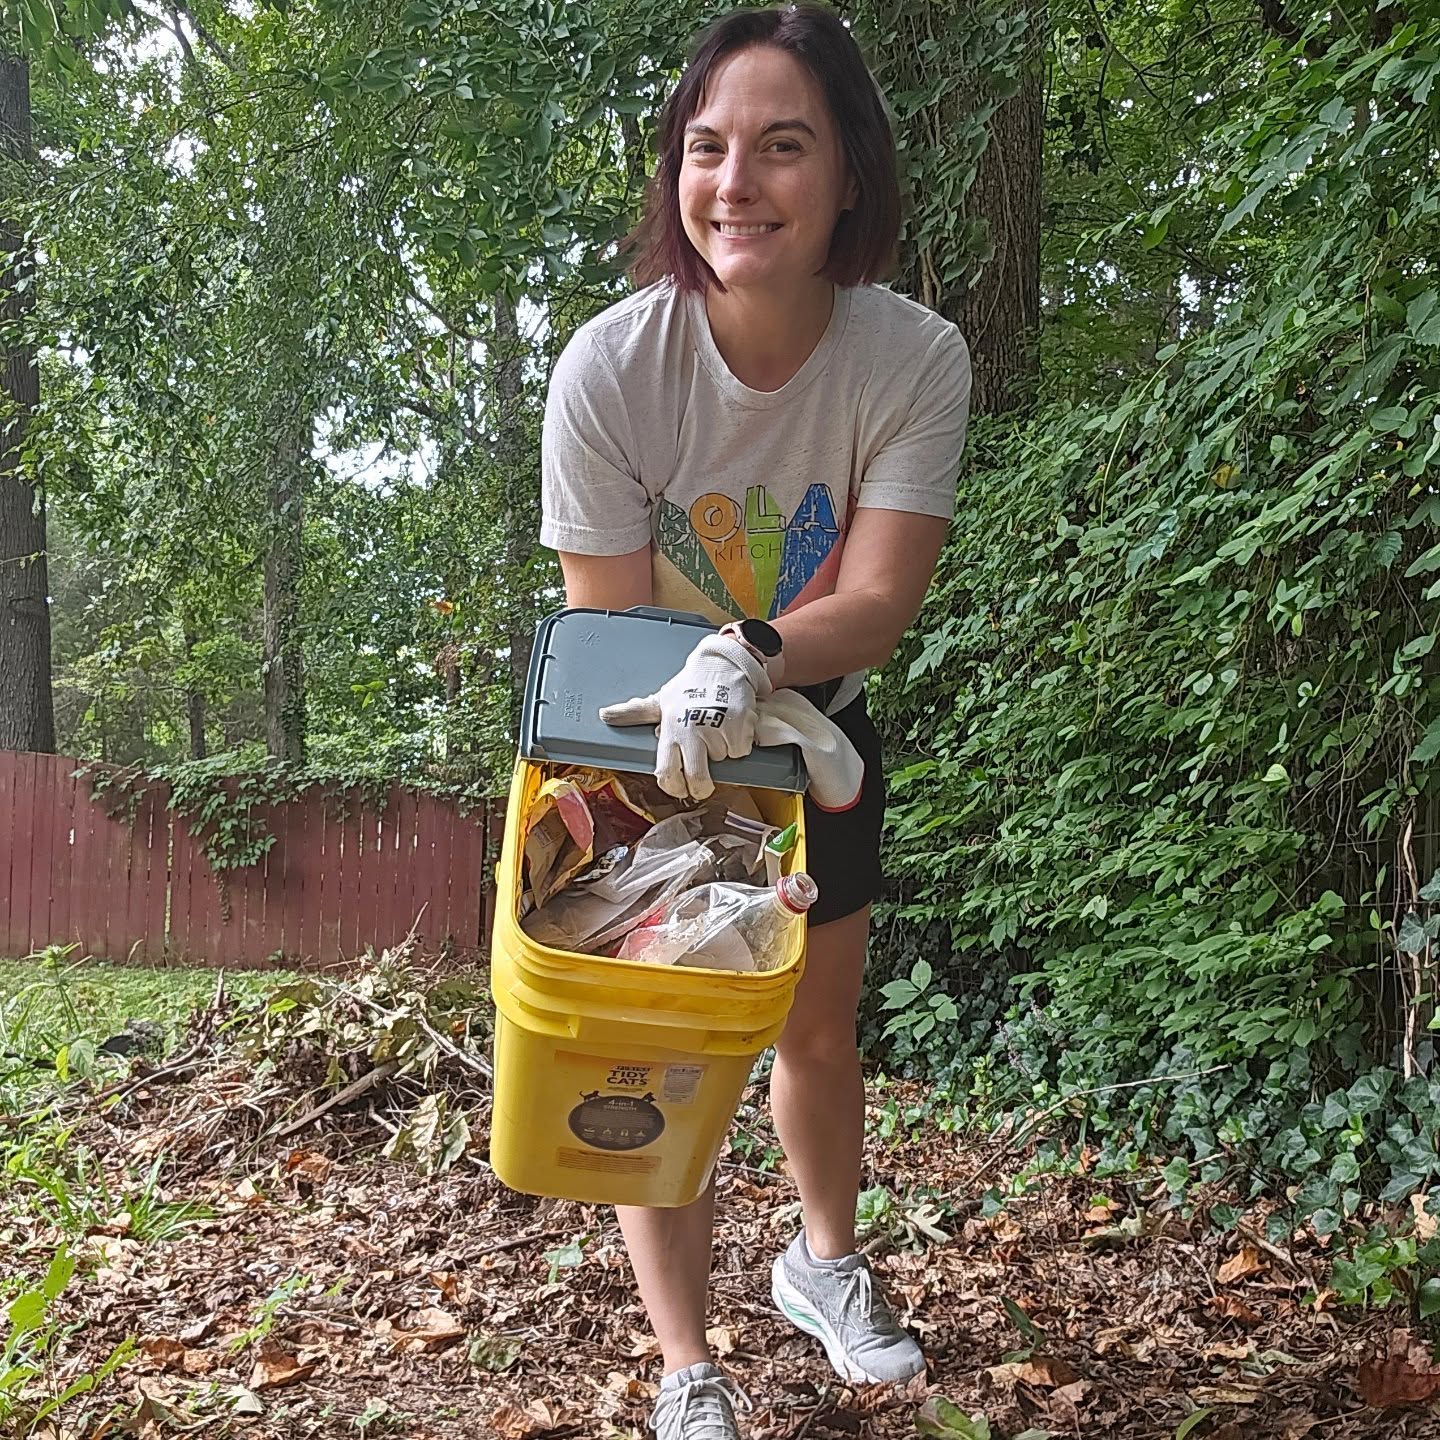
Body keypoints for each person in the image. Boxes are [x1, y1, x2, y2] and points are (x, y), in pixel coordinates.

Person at [539, 6, 972, 1436]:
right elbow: (614, 611)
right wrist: (714, 666)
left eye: (784, 147)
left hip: (818, 713)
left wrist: (759, 655)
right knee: (659, 1043)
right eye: (708, 148)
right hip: (638, 727)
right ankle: (686, 1368)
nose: (738, 184)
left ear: (849, 172)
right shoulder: (612, 368)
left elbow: (881, 596)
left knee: (817, 1032)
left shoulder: (911, 360)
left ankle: (822, 1264)